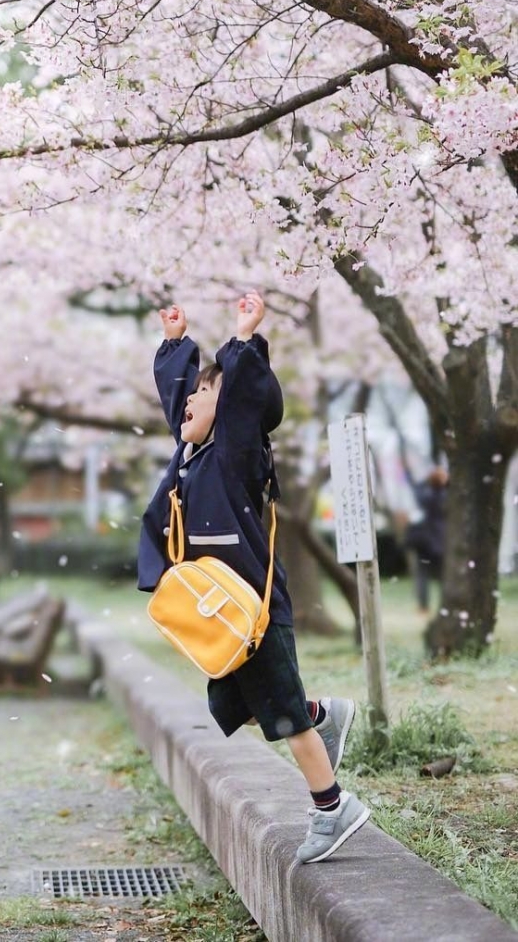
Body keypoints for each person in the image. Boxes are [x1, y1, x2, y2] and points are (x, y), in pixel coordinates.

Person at [138, 292, 370, 864]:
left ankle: (332, 806)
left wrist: (242, 340)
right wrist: (175, 346)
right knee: (237, 704)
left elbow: (240, 404)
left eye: (203, 391)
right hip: (221, 612)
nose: (188, 400)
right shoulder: (190, 456)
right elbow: (182, 406)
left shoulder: (234, 456)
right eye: (189, 392)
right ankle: (321, 714)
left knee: (282, 715)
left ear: (232, 410)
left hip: (253, 608)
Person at [405, 467, 448, 614]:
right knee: (443, 576)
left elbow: (415, 488)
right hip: (440, 542)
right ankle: (445, 605)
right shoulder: (446, 496)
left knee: (423, 575)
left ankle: (423, 606)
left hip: (425, 542)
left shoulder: (425, 495)